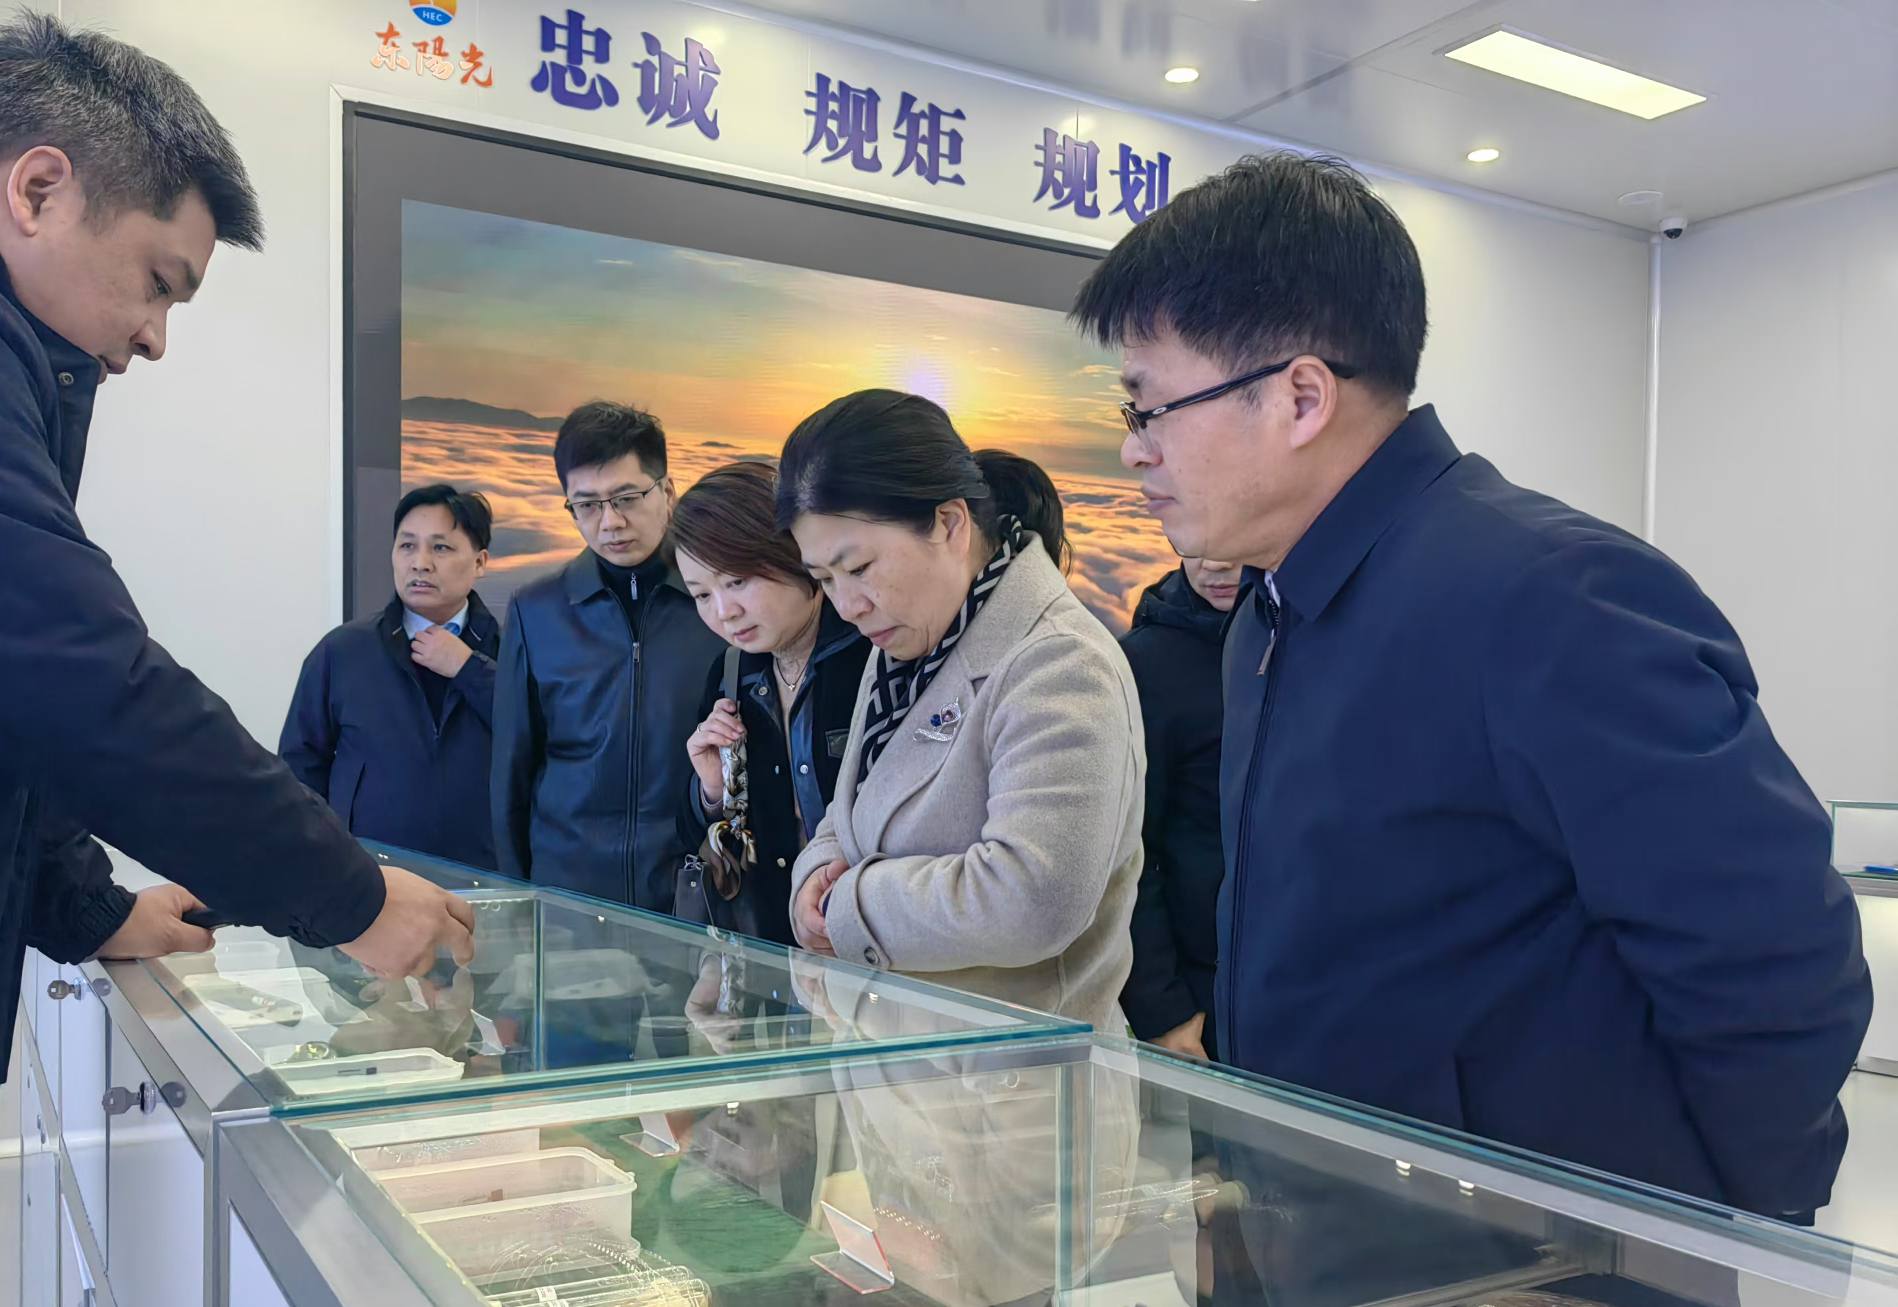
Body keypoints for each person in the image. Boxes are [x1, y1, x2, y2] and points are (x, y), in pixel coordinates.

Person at [1072, 152, 1870, 1226]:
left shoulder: (1548, 594)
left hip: (1523, 1261)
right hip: (1332, 1228)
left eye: (1150, 407)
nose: (1135, 452)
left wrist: (1679, 1245)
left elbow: (1775, 959)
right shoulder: (1268, 613)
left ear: (1300, 396)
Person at [0, 16, 472, 1217]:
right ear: (39, 187)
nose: (154, 337)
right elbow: (69, 672)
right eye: (157, 282)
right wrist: (347, 894)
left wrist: (89, 905)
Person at [778, 390, 1144, 1032]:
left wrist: (849, 905)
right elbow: (856, 808)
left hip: (1012, 1080)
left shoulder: (1059, 662)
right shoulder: (909, 638)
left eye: (858, 567)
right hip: (895, 1060)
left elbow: (1032, 899)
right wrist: (814, 874)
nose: (848, 606)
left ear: (949, 523)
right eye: (825, 579)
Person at [492, 401, 724, 907]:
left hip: (688, 892)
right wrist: (515, 899)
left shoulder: (718, 607)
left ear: (667, 492)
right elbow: (512, 771)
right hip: (566, 895)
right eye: (587, 505)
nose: (610, 522)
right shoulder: (536, 609)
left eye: (626, 498)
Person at [671, 462, 873, 945]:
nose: (724, 612)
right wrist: (715, 790)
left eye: (738, 581)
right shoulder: (731, 673)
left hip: (868, 937)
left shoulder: (874, 654)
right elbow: (716, 840)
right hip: (774, 947)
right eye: (702, 595)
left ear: (793, 553)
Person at [281, 484, 501, 869]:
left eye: (441, 547)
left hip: (490, 880)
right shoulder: (342, 651)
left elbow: (543, 739)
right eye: (407, 546)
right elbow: (299, 766)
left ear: (480, 562)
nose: (420, 563)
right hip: (369, 881)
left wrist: (470, 671)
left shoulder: (515, 651)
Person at [1119, 558, 1241, 1061]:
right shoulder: (1147, 662)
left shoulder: (1316, 641)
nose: (1216, 562)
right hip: (1203, 998)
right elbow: (1125, 849)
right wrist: (1163, 1007)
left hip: (1318, 988)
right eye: (1194, 544)